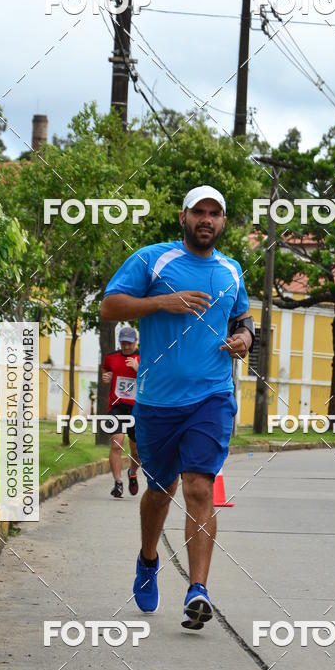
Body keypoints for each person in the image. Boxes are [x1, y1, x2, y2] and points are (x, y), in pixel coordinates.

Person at [100, 185, 254, 630]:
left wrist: (244, 338)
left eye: (215, 214)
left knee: (199, 488)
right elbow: (110, 305)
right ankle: (148, 560)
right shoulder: (152, 260)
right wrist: (162, 302)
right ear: (184, 216)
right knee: (160, 491)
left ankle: (197, 589)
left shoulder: (231, 270)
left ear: (224, 222)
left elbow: (242, 319)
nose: (207, 220)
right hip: (157, 401)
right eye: (199, 212)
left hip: (212, 395)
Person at [101, 325, 141, 498]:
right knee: (116, 442)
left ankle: (132, 472)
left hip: (137, 407)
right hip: (117, 406)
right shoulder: (111, 357)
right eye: (123, 343)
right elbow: (106, 371)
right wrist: (106, 377)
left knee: (136, 449)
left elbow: (153, 378)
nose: (126, 347)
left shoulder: (143, 356)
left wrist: (137, 369)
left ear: (135, 342)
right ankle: (117, 483)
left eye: (129, 344)